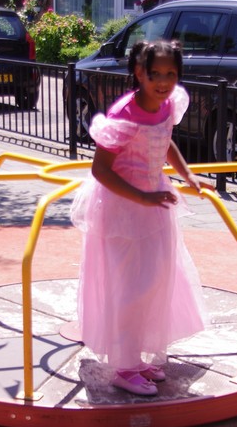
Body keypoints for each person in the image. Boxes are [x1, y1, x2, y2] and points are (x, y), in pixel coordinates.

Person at [70, 39, 209, 396]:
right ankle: (122, 365)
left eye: (170, 74)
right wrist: (142, 197)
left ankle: (135, 356)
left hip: (152, 203)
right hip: (123, 207)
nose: (163, 82)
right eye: (155, 74)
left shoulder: (167, 104)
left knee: (155, 281)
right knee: (130, 288)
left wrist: (187, 174)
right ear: (139, 73)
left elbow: (165, 138)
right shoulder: (124, 113)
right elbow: (101, 169)